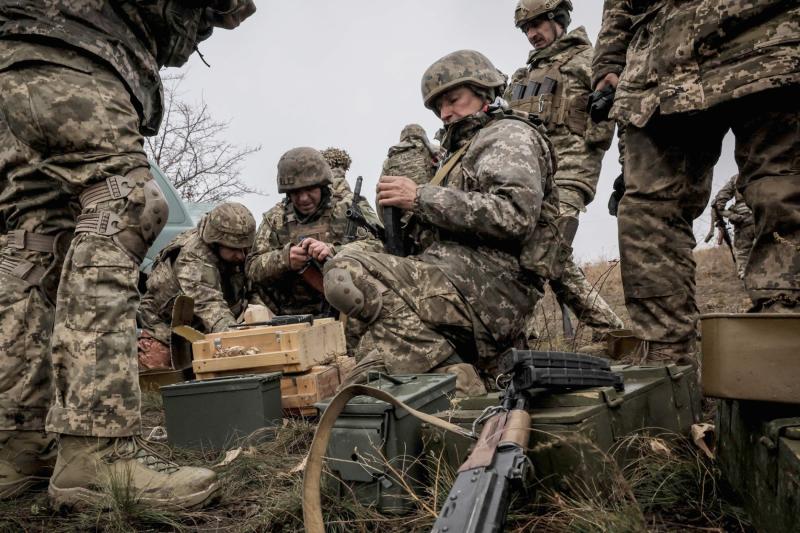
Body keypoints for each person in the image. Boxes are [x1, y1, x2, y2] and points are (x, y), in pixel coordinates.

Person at [0, 1, 255, 507]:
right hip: (72, 45)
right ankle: (98, 449)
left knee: (34, 243)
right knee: (127, 205)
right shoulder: (192, 256)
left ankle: (18, 445)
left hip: (19, 55)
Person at [321, 50, 558, 397]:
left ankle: (462, 385)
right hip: (455, 279)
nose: (446, 113)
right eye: (438, 108)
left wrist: (419, 198)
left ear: (484, 90)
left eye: (453, 100)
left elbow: (514, 215)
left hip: (489, 288)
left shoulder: (507, 136)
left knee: (346, 272)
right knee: (361, 383)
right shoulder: (463, 149)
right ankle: (460, 368)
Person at [593, 1, 800, 364]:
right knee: (645, 212)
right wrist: (608, 65)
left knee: (781, 187)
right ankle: (665, 354)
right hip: (659, 62)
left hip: (769, 36)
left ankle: (785, 342)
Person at [505, 0, 624, 343]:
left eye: (537, 24)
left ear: (560, 19)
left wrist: (626, 167)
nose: (532, 34)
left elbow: (623, 108)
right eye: (526, 29)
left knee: (547, 251)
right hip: (531, 177)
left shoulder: (589, 60)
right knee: (539, 257)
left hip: (571, 171)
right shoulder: (523, 76)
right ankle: (613, 334)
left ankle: (612, 332)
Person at [246, 147, 382, 324]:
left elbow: (380, 247)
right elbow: (252, 268)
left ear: (322, 185)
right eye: (295, 192)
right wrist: (284, 259)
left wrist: (335, 251)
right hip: (294, 316)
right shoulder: (275, 219)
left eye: (310, 189)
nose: (303, 198)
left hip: (351, 312)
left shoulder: (349, 207)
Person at [137, 203, 260, 370]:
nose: (241, 255)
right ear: (216, 242)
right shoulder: (192, 257)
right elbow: (210, 305)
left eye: (245, 249)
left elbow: (255, 285)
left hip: (209, 323)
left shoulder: (239, 249)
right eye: (234, 250)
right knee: (158, 371)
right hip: (166, 326)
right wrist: (239, 343)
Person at [710, 175, 756, 280]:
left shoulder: (737, 178)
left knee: (742, 253)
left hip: (743, 220)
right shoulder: (767, 171)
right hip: (766, 217)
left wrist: (731, 215)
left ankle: (749, 283)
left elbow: (719, 203)